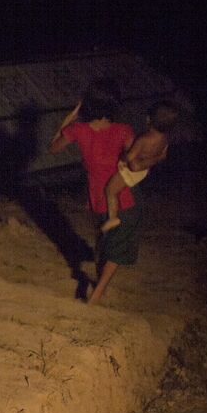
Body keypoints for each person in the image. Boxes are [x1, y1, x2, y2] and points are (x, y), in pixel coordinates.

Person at [48, 81, 138, 305]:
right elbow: (133, 161)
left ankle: (98, 287)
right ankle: (97, 293)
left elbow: (53, 147)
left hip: (96, 195)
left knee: (102, 241)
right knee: (118, 247)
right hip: (122, 194)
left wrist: (72, 115)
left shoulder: (78, 130)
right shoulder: (123, 130)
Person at [101, 100, 179, 233]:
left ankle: (112, 218)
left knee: (110, 190)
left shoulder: (143, 139)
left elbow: (130, 157)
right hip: (143, 171)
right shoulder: (165, 138)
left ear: (149, 119)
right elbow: (160, 154)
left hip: (131, 172)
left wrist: (122, 156)